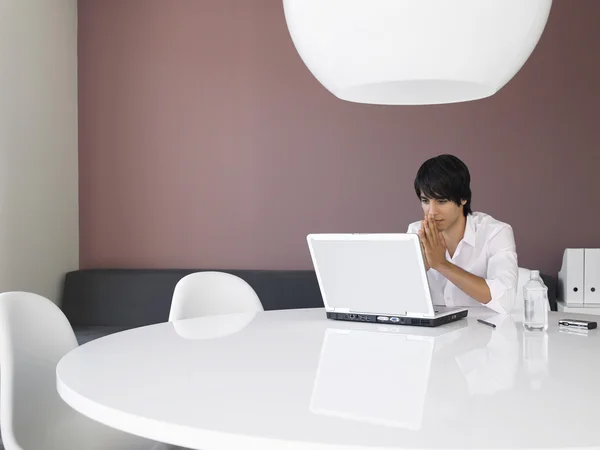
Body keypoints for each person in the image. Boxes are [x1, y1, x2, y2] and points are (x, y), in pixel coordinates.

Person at [407, 154, 518, 314]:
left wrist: (442, 265)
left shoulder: (495, 232)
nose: (431, 212)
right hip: (432, 333)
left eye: (442, 201)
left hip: (485, 333)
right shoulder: (415, 233)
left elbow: (504, 299)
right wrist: (420, 266)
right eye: (425, 201)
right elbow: (395, 297)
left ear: (463, 198)